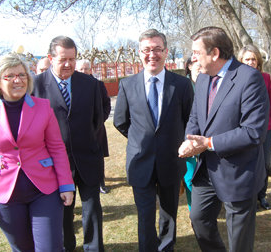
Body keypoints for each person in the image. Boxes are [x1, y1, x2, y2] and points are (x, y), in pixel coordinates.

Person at [0, 53, 75, 251]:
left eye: (22, 75)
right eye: (10, 76)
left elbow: (57, 148)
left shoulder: (43, 107)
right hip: (4, 196)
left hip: (44, 191)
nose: (18, 80)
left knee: (50, 247)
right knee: (23, 248)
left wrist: (66, 185)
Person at [178, 26, 269, 252]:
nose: (193, 58)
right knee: (199, 219)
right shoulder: (202, 79)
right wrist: (189, 140)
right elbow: (195, 116)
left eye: (197, 52)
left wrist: (208, 144)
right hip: (207, 170)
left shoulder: (250, 78)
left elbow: (253, 132)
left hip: (239, 170)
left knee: (238, 238)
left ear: (215, 53)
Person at [113, 29, 194, 252]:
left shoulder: (182, 85)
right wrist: (141, 140)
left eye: (157, 49)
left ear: (166, 52)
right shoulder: (127, 85)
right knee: (145, 214)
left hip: (171, 160)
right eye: (147, 50)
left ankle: (167, 247)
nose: (152, 54)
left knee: (169, 211)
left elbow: (190, 119)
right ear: (139, 53)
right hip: (140, 161)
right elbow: (120, 121)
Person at [32, 36, 105, 251]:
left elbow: (98, 119)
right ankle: (67, 247)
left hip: (88, 157)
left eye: (72, 59)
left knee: (92, 209)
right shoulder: (36, 85)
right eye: (63, 59)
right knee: (64, 211)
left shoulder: (90, 84)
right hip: (55, 163)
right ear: (50, 58)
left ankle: (93, 247)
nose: (68, 64)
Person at [238, 44, 271, 210]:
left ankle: (262, 196)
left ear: (258, 61)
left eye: (253, 59)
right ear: (241, 61)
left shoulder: (266, 78)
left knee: (263, 163)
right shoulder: (236, 78)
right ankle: (250, 197)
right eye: (247, 59)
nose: (250, 62)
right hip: (243, 129)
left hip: (265, 128)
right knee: (248, 163)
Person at [76, 58, 112, 194]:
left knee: (98, 156)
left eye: (86, 68)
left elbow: (106, 104)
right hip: (77, 130)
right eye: (80, 69)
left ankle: (100, 183)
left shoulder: (98, 84)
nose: (83, 71)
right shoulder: (72, 85)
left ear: (90, 70)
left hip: (96, 129)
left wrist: (99, 120)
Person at [183, 57, 201, 210]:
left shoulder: (209, 82)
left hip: (206, 138)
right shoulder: (183, 85)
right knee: (190, 176)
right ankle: (193, 208)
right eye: (196, 63)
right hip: (186, 137)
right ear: (189, 66)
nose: (200, 65)